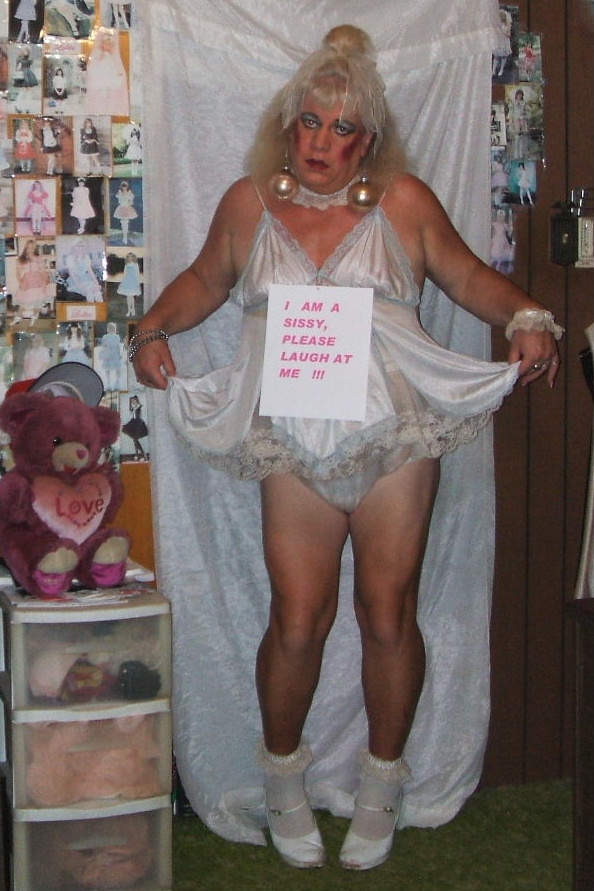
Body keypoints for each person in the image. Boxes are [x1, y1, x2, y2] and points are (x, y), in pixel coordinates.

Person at [130, 25, 562, 872]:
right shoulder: (249, 204)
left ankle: (382, 786)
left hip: (394, 436)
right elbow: (205, 280)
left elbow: (467, 276)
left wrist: (526, 314)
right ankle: (282, 781)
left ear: (368, 140)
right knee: (297, 618)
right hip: (295, 437)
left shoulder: (404, 202)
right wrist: (152, 328)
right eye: (310, 122)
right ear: (288, 122)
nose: (322, 142)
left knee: (388, 610)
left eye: (342, 128)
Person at [11, 238, 51, 325]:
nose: (30, 249)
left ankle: (33, 318)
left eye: (32, 247)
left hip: (38, 281)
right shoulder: (21, 259)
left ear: (35, 248)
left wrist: (45, 280)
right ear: (26, 247)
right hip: (27, 281)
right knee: (23, 301)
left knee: (38, 300)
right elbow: (18, 273)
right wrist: (20, 283)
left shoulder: (39, 258)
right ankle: (18, 318)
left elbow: (43, 271)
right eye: (28, 247)